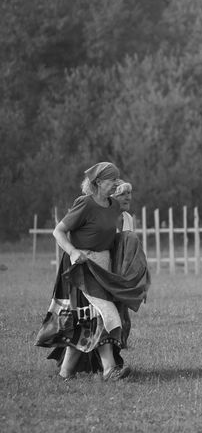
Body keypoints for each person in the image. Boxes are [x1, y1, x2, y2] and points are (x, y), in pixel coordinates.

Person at [36, 163, 151, 380]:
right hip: (82, 268)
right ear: (98, 182)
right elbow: (58, 231)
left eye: (118, 180)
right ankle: (109, 370)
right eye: (112, 180)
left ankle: (65, 373)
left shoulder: (113, 206)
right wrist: (71, 251)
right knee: (102, 314)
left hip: (103, 270)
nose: (116, 184)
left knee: (86, 320)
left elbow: (123, 230)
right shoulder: (85, 204)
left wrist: (130, 249)